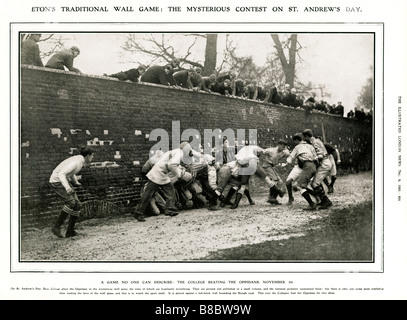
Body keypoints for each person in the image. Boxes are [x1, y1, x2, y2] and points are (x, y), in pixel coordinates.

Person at [133, 142, 198, 221]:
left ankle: (170, 210)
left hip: (162, 173)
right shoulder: (179, 153)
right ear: (186, 149)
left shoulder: (176, 151)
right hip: (158, 173)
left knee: (170, 192)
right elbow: (171, 165)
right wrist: (178, 174)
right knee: (148, 194)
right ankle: (138, 213)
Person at [49, 147, 94, 238]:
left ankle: (70, 231)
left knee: (77, 204)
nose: (92, 158)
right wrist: (67, 187)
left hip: (63, 180)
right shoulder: (76, 162)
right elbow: (61, 173)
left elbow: (71, 172)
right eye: (92, 156)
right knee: (71, 202)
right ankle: (56, 227)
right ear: (88, 156)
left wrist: (75, 182)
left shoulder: (80, 161)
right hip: (56, 181)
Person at [285, 134, 318, 210]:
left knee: (299, 186)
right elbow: (316, 159)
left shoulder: (298, 147)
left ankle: (312, 201)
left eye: (295, 141)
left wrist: (285, 164)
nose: (295, 143)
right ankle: (291, 198)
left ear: (296, 140)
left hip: (306, 166)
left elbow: (290, 158)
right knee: (289, 182)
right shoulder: (310, 146)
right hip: (301, 166)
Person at [302, 129, 333, 209]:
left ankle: (326, 201)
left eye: (304, 137)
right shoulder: (316, 140)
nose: (304, 139)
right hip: (325, 163)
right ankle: (323, 201)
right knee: (315, 183)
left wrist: (313, 163)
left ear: (306, 136)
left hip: (324, 163)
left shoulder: (314, 142)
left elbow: (320, 156)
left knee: (315, 184)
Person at [262, 139, 290, 205]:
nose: (284, 148)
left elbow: (289, 154)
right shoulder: (271, 150)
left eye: (285, 147)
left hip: (272, 167)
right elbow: (262, 151)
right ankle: (271, 197)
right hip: (267, 166)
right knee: (274, 180)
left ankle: (273, 198)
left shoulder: (284, 152)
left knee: (280, 182)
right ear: (279, 145)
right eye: (283, 146)